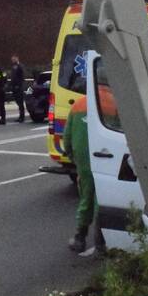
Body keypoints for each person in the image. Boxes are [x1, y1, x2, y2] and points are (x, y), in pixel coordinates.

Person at [61, 93, 105, 255]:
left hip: (84, 160)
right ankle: (101, 241)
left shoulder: (79, 105)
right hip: (108, 157)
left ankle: (80, 237)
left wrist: (76, 160)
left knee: (86, 197)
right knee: (103, 199)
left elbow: (67, 138)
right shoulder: (116, 103)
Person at [9, 54, 26, 122]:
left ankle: (22, 117)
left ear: (17, 58)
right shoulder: (13, 66)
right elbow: (13, 77)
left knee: (20, 103)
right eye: (12, 59)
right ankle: (20, 116)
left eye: (14, 59)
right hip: (14, 87)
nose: (13, 60)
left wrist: (19, 85)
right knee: (18, 102)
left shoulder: (20, 66)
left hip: (19, 87)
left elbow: (22, 77)